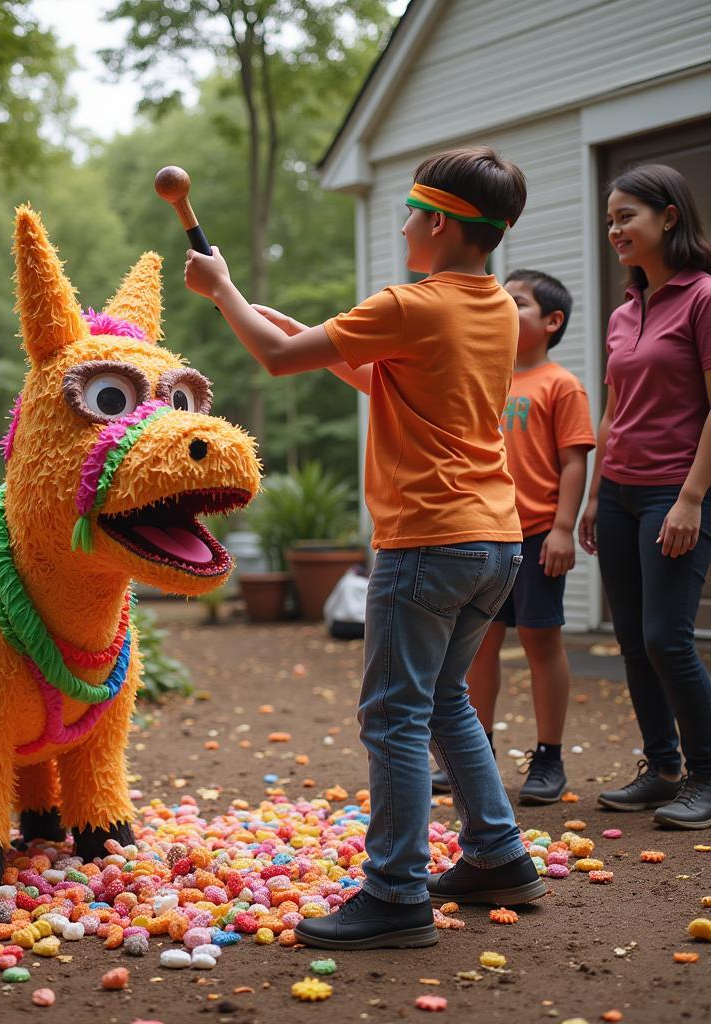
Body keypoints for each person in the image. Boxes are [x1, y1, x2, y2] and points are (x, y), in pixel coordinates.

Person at [184, 147, 546, 951]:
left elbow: (278, 361)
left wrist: (225, 293)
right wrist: (278, 321)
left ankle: (394, 893)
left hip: (426, 539)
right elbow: (393, 382)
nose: (406, 227)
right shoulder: (493, 307)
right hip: (494, 540)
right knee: (445, 701)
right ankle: (497, 854)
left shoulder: (411, 302)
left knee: (393, 717)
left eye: (413, 215)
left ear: (441, 223)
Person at [580, 164, 711, 828]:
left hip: (674, 489)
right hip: (621, 490)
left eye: (626, 216)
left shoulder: (704, 297)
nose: (615, 230)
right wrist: (597, 493)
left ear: (669, 216)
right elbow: (614, 409)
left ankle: (706, 773)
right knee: (632, 639)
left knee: (668, 638)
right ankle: (661, 768)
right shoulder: (625, 311)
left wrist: (691, 498)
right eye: (609, 220)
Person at [433, 270, 594, 804]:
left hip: (537, 534)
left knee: (541, 644)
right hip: (484, 532)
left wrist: (563, 530)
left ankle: (549, 757)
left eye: (517, 302)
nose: (504, 306)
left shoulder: (560, 384)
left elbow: (573, 463)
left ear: (552, 322)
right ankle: (475, 754)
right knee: (478, 648)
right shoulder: (489, 376)